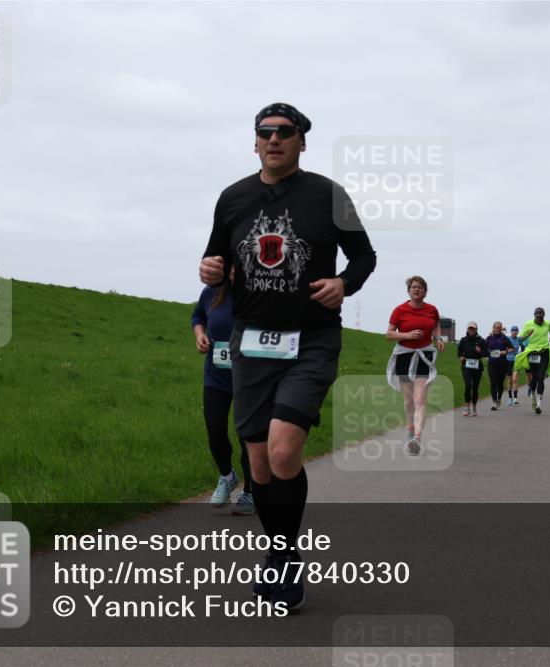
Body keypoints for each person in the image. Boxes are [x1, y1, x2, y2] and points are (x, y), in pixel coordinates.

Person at [200, 103, 376, 611]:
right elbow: (217, 259)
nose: (274, 139)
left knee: (281, 452)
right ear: (255, 142)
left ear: (301, 141)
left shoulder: (327, 195)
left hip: (312, 338)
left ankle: (282, 557)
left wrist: (345, 282)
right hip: (251, 341)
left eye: (285, 132)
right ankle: (279, 553)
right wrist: (210, 269)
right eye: (265, 133)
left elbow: (364, 255)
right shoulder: (232, 198)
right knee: (256, 461)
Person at [191, 270, 255, 515]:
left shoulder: (259, 293)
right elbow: (198, 316)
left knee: (246, 435)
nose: (233, 270)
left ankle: (250, 491)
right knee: (215, 430)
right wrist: (200, 335)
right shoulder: (212, 292)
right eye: (230, 263)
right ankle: (227, 476)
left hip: (250, 378)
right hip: (216, 375)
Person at [386, 276, 445, 455]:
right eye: (413, 287)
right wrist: (407, 335)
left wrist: (438, 338)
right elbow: (388, 334)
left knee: (420, 400)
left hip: (424, 356)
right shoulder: (399, 310)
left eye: (420, 287)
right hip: (404, 356)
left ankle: (417, 438)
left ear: (425, 291)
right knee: (409, 401)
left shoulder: (432, 310)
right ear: (409, 291)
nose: (417, 290)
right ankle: (411, 428)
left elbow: (436, 325)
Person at [516, 307, 550, 414]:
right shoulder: (528, 324)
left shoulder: (547, 323)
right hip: (532, 352)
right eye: (537, 317)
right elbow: (520, 339)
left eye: (541, 317)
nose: (539, 319)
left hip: (544, 351)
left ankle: (539, 403)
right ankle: (533, 395)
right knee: (534, 377)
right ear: (534, 316)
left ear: (544, 316)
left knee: (540, 377)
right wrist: (527, 335)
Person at [457, 322, 488, 416]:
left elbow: (486, 353)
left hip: (477, 366)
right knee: (467, 385)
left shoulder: (481, 340)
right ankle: (466, 407)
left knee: (475, 388)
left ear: (476, 330)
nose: (471, 330)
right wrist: (461, 356)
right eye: (470, 328)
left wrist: (480, 351)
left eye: (473, 328)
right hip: (466, 365)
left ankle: (474, 407)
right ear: (467, 329)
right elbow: (459, 350)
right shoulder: (463, 340)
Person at [486, 321, 513, 410]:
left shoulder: (504, 338)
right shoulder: (489, 338)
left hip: (502, 363)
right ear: (493, 328)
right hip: (492, 363)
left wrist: (505, 352)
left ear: (501, 329)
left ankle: (499, 398)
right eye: (496, 328)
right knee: (493, 382)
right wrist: (488, 351)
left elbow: (512, 348)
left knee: (500, 383)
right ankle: (494, 402)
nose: (497, 329)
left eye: (499, 328)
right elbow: (485, 349)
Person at [505, 325, 523, 405]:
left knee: (515, 379)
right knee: (509, 380)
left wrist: (522, 355)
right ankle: (509, 398)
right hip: (508, 360)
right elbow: (504, 348)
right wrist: (508, 350)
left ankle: (515, 398)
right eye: (513, 330)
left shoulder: (519, 339)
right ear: (511, 332)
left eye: (516, 330)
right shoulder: (508, 339)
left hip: (516, 361)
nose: (515, 332)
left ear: (517, 332)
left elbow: (523, 347)